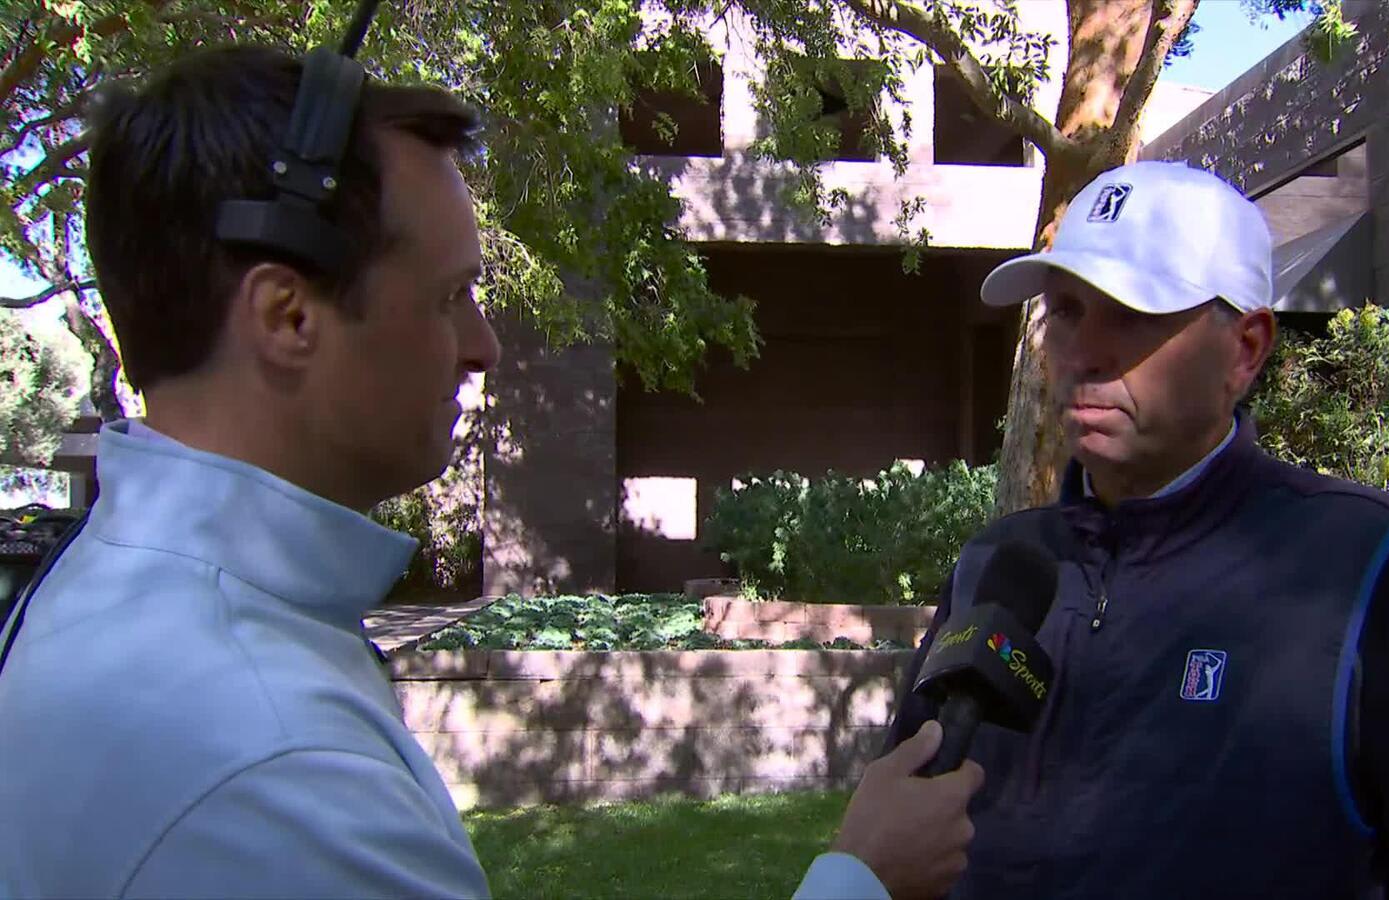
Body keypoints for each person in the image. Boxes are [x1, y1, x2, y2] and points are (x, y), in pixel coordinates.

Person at [0, 46, 981, 900]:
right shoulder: (273, 761)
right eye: (452, 296)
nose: (484, 348)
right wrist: (860, 881)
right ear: (287, 318)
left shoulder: (99, 599)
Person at [884, 160, 1389, 898]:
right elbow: (902, 821)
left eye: (1134, 312)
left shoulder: (1377, 567)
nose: (1083, 354)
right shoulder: (998, 564)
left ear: (1245, 349)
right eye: (1066, 311)